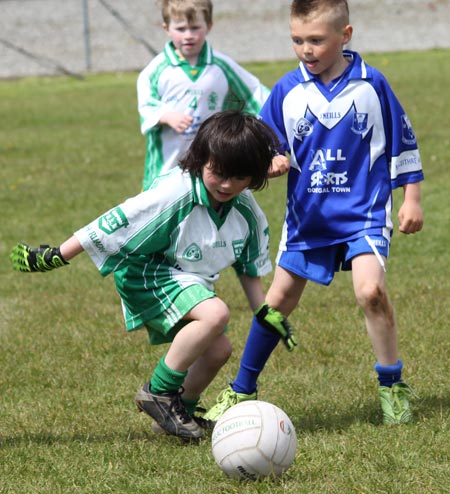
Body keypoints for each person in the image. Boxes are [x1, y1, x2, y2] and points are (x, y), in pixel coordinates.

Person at [204, 0, 424, 426]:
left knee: (370, 293)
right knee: (278, 300)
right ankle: (241, 389)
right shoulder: (287, 91)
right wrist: (272, 161)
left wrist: (411, 199)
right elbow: (265, 147)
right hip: (309, 217)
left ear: (345, 36)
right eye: (297, 40)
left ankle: (391, 385)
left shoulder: (371, 85)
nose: (306, 48)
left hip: (364, 213)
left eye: (316, 40)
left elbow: (403, 143)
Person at [9, 111, 281, 441]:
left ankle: (179, 411)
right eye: (219, 173)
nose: (227, 185)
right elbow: (113, 222)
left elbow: (248, 267)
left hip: (183, 278)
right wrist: (55, 255)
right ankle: (160, 393)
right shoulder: (175, 194)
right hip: (145, 272)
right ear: (200, 160)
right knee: (216, 314)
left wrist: (265, 312)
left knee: (218, 349)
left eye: (239, 177)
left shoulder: (246, 210)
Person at [137, 0, 270, 190]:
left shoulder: (221, 66)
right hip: (166, 168)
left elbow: (255, 92)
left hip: (213, 163)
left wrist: (277, 117)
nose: (188, 35)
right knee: (164, 213)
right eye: (181, 28)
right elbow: (146, 105)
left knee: (209, 209)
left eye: (195, 28)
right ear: (166, 28)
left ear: (209, 26)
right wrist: (165, 115)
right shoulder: (155, 71)